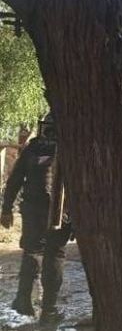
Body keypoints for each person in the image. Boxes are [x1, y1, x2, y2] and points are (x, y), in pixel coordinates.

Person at [0, 114, 71, 323]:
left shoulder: (33, 148)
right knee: (54, 255)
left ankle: (24, 299)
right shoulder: (69, 148)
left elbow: (15, 180)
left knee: (34, 249)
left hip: (36, 209)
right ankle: (48, 310)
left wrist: (6, 208)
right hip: (57, 210)